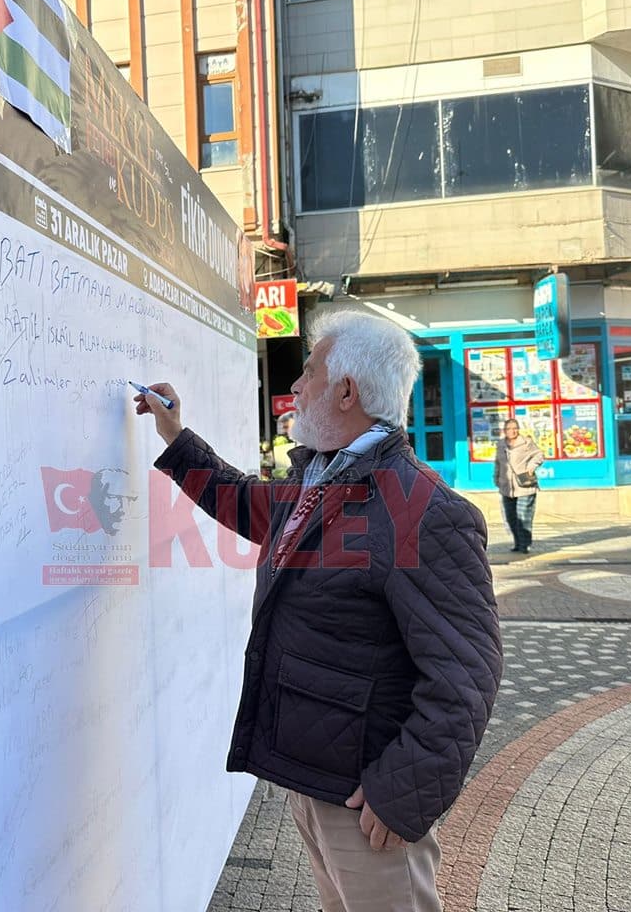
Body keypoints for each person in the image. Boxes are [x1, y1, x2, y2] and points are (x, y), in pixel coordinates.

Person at [134, 311, 502, 912]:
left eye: (309, 373)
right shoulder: (321, 479)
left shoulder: (426, 511)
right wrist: (177, 438)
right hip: (315, 783)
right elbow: (245, 502)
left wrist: (400, 794)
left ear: (347, 392)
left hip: (368, 803)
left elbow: (466, 679)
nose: (296, 387)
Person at [493, 419, 544, 554]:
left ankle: (524, 544)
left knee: (523, 516)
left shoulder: (526, 442)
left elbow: (539, 455)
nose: (513, 431)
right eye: (509, 428)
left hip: (525, 485)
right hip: (507, 487)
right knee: (510, 517)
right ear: (505, 431)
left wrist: (531, 467)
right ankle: (517, 542)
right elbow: (498, 463)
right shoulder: (501, 444)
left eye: (515, 428)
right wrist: (496, 478)